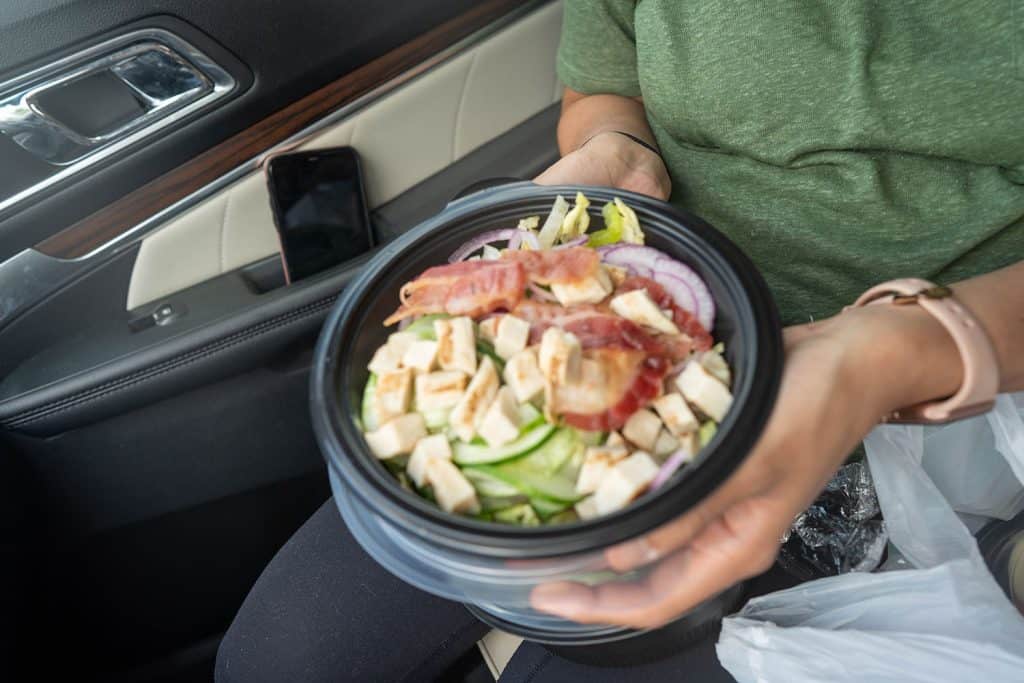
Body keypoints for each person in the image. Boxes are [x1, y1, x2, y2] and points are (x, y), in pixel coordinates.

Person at [216, 2, 1024, 680]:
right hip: (621, 330)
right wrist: (617, 150)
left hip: (930, 403)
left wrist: (885, 354)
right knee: (276, 657)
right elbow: (602, 82)